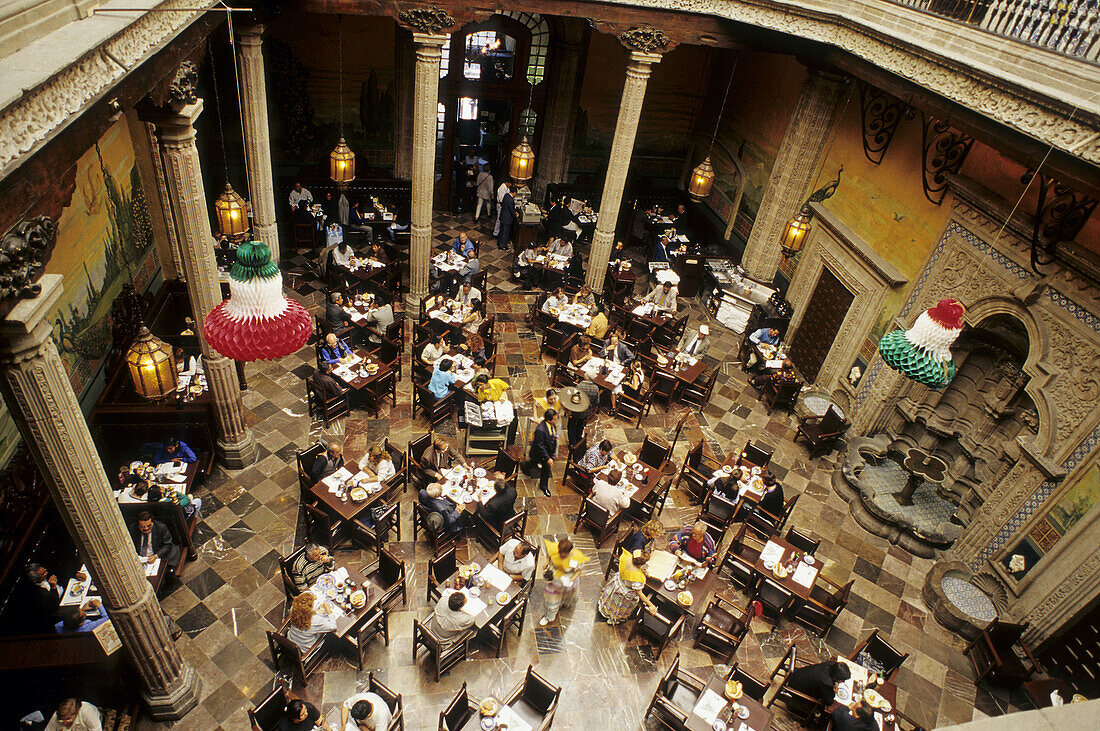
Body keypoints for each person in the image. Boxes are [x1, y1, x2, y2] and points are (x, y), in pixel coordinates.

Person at [597, 549, 657, 624]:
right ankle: (614, 617)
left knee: (612, 601)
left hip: (618, 583)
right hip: (624, 592)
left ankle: (606, 609)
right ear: (640, 564)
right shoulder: (637, 578)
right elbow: (640, 593)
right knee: (618, 607)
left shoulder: (628, 558)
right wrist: (650, 605)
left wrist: (643, 570)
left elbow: (633, 567)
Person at [538, 536, 588, 625]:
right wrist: (547, 562)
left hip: (568, 580)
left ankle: (564, 604)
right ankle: (549, 616)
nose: (560, 555)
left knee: (567, 597)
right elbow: (550, 555)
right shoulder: (555, 549)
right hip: (555, 580)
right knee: (551, 600)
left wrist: (571, 579)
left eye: (562, 554)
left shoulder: (576, 558)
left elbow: (578, 571)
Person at [522, 408, 558, 496]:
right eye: (554, 419)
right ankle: (524, 467)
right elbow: (540, 446)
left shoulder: (552, 425)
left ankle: (543, 486)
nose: (556, 420)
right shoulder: (540, 430)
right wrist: (548, 458)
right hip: (539, 453)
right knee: (537, 464)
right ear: (549, 420)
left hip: (547, 451)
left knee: (544, 468)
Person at [787, 659, 851, 705]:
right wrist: (832, 691)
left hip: (797, 675)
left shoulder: (830, 664)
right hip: (795, 687)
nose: (843, 682)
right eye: (842, 680)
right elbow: (828, 701)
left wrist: (835, 683)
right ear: (835, 677)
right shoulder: (826, 682)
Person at [497, 181, 516, 250]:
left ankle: (499, 242)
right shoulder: (510, 200)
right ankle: (503, 245)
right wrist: (515, 215)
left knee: (501, 231)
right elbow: (511, 210)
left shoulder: (506, 195)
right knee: (505, 233)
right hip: (507, 219)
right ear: (514, 193)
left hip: (503, 217)